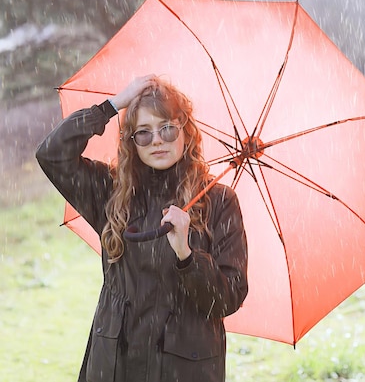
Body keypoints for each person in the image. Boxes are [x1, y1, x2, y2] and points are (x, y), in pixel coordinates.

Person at [36, 75, 248, 382]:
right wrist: (110, 106)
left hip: (184, 368)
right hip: (114, 364)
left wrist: (187, 255)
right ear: (131, 142)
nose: (158, 140)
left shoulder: (219, 201)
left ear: (185, 132)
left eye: (167, 128)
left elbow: (228, 298)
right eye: (144, 133)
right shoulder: (110, 191)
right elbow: (51, 155)